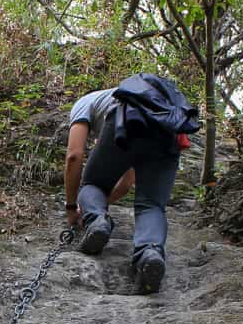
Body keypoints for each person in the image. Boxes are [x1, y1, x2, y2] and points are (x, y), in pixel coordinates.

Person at [63, 74, 199, 293]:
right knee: (151, 204)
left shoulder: (85, 102)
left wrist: (79, 209)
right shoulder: (154, 104)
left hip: (126, 122)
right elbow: (127, 182)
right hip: (168, 133)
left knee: (92, 183)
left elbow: (74, 156)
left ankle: (97, 222)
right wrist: (101, 204)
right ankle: (150, 253)